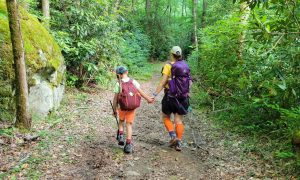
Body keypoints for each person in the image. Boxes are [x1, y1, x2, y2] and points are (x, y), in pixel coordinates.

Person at [152, 46, 192, 151]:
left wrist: (154, 94)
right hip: (183, 97)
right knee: (178, 121)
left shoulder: (168, 66)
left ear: (171, 54)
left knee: (165, 117)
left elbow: (163, 82)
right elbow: (188, 82)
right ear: (180, 55)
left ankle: (173, 136)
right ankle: (178, 142)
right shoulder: (185, 66)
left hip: (170, 96)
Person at [112, 66, 153, 153]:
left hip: (122, 107)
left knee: (121, 121)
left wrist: (114, 109)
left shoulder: (118, 84)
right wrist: (148, 99)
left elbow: (115, 99)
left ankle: (121, 135)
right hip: (131, 107)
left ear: (118, 75)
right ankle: (128, 144)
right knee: (129, 124)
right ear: (126, 72)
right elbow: (140, 92)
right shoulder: (133, 81)